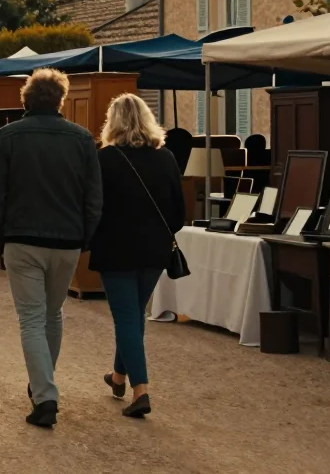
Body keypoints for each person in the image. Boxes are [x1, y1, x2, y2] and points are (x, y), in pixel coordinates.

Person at [0, 68, 102, 429]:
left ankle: (45, 394)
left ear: (26, 99)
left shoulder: (7, 136)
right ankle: (42, 384)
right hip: (67, 239)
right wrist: (85, 236)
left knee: (33, 319)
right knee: (52, 314)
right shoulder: (82, 139)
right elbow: (93, 197)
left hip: (22, 238)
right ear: (61, 100)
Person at [91, 93, 184, 419]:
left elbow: (95, 208)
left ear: (113, 122)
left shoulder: (104, 159)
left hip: (115, 250)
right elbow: (178, 215)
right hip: (154, 251)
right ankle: (118, 377)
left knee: (127, 318)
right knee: (134, 317)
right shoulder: (167, 158)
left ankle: (140, 389)